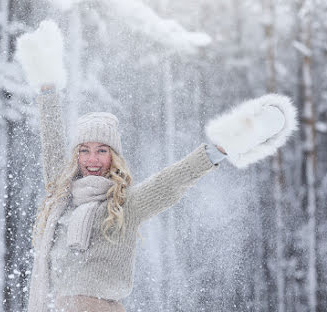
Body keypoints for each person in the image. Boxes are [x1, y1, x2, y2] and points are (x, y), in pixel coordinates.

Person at [27, 85, 228, 312]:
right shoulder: (64, 196)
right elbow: (52, 147)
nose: (92, 159)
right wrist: (47, 93)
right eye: (84, 150)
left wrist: (212, 154)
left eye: (102, 151)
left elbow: (168, 182)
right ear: (76, 156)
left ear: (114, 157)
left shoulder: (124, 204)